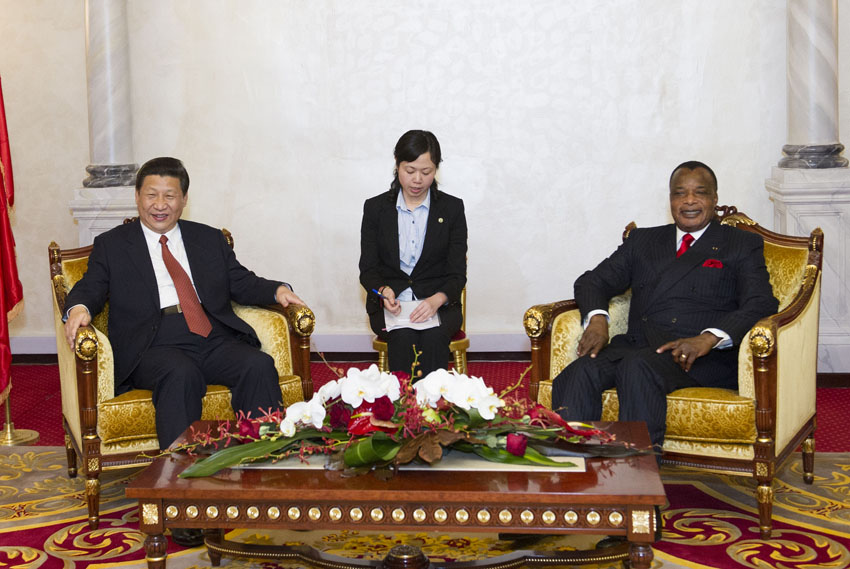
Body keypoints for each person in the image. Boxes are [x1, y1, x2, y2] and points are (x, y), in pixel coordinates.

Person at [551, 161, 778, 451]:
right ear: (670, 199)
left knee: (637, 368)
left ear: (715, 198)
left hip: (701, 358)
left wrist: (709, 338)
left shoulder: (741, 244)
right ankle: (573, 466)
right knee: (580, 371)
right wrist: (597, 320)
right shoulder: (644, 240)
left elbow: (761, 301)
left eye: (700, 192)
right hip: (639, 345)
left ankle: (636, 479)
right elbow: (592, 281)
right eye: (680, 193)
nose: (689, 201)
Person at [359, 130, 467, 378]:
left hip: (439, 305)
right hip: (392, 306)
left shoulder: (452, 209)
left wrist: (437, 300)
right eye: (410, 171)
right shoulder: (376, 209)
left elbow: (457, 274)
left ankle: (434, 410)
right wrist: (383, 292)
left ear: (436, 169)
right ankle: (402, 410)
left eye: (426, 172)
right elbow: (368, 270)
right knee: (402, 336)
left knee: (434, 337)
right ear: (397, 164)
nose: (417, 179)